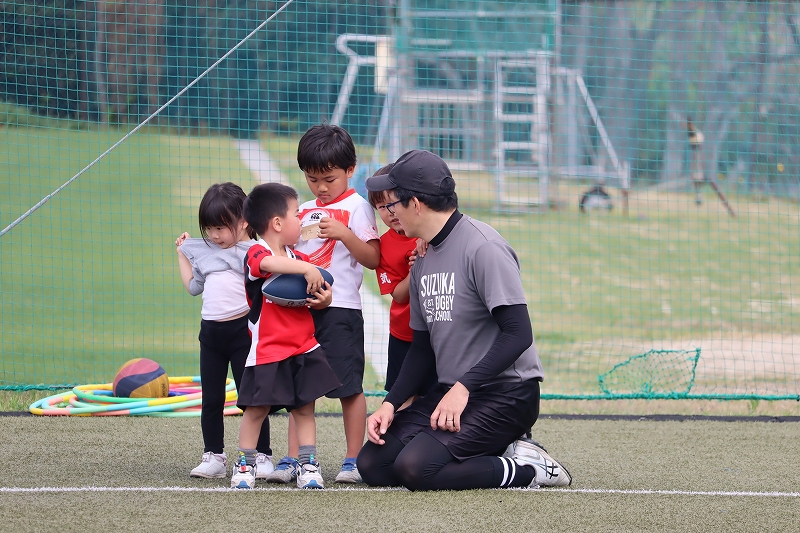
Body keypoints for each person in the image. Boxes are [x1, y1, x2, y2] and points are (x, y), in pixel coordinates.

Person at [356, 150, 572, 491]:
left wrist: (463, 388)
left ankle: (528, 469)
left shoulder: (483, 247)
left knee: (416, 469)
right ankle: (492, 449)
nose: (389, 213)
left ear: (416, 204)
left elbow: (518, 333)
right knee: (373, 464)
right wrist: (389, 404)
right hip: (452, 391)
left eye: (393, 204)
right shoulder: (422, 258)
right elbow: (421, 349)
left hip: (507, 394)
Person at [266, 124, 380, 485]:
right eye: (312, 179)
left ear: (351, 169)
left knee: (349, 388)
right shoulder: (303, 210)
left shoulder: (358, 207)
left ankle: (353, 460)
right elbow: (286, 252)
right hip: (302, 310)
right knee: (300, 389)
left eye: (329, 179)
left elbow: (373, 258)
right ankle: (295, 458)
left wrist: (344, 233)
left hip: (341, 311)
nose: (321, 187)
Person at [230, 182, 341, 490]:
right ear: (277, 223)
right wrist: (305, 268)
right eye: (296, 213)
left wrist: (325, 299)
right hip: (268, 350)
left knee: (305, 409)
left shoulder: (297, 257)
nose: (302, 219)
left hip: (303, 348)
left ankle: (308, 463)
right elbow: (265, 264)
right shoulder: (257, 252)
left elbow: (319, 291)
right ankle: (245, 463)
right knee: (256, 410)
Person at [175, 182, 274, 480]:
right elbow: (194, 287)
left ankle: (262, 455)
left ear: (243, 221)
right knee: (212, 399)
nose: (214, 235)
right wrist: (183, 253)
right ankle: (214, 455)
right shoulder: (206, 252)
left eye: (220, 228)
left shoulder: (256, 251)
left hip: (243, 334)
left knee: (251, 399)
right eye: (209, 229)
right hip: (211, 336)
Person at [367, 163, 437, 399]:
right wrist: (414, 271)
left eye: (394, 203)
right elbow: (397, 294)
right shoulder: (384, 245)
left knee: (435, 393)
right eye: (382, 207)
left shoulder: (429, 233)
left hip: (438, 329)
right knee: (404, 394)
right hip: (403, 333)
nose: (391, 212)